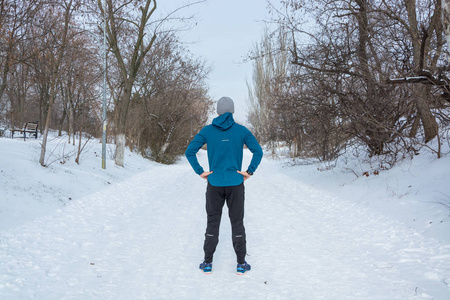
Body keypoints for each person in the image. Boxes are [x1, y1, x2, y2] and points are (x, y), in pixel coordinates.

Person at [185, 96, 263, 275]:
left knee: (213, 221)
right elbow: (258, 151)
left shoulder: (207, 131)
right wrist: (249, 172)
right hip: (236, 183)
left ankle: (207, 263)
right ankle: (241, 264)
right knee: (237, 222)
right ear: (233, 111)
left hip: (214, 184)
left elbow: (190, 151)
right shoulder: (242, 131)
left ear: (218, 111)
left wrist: (200, 171)